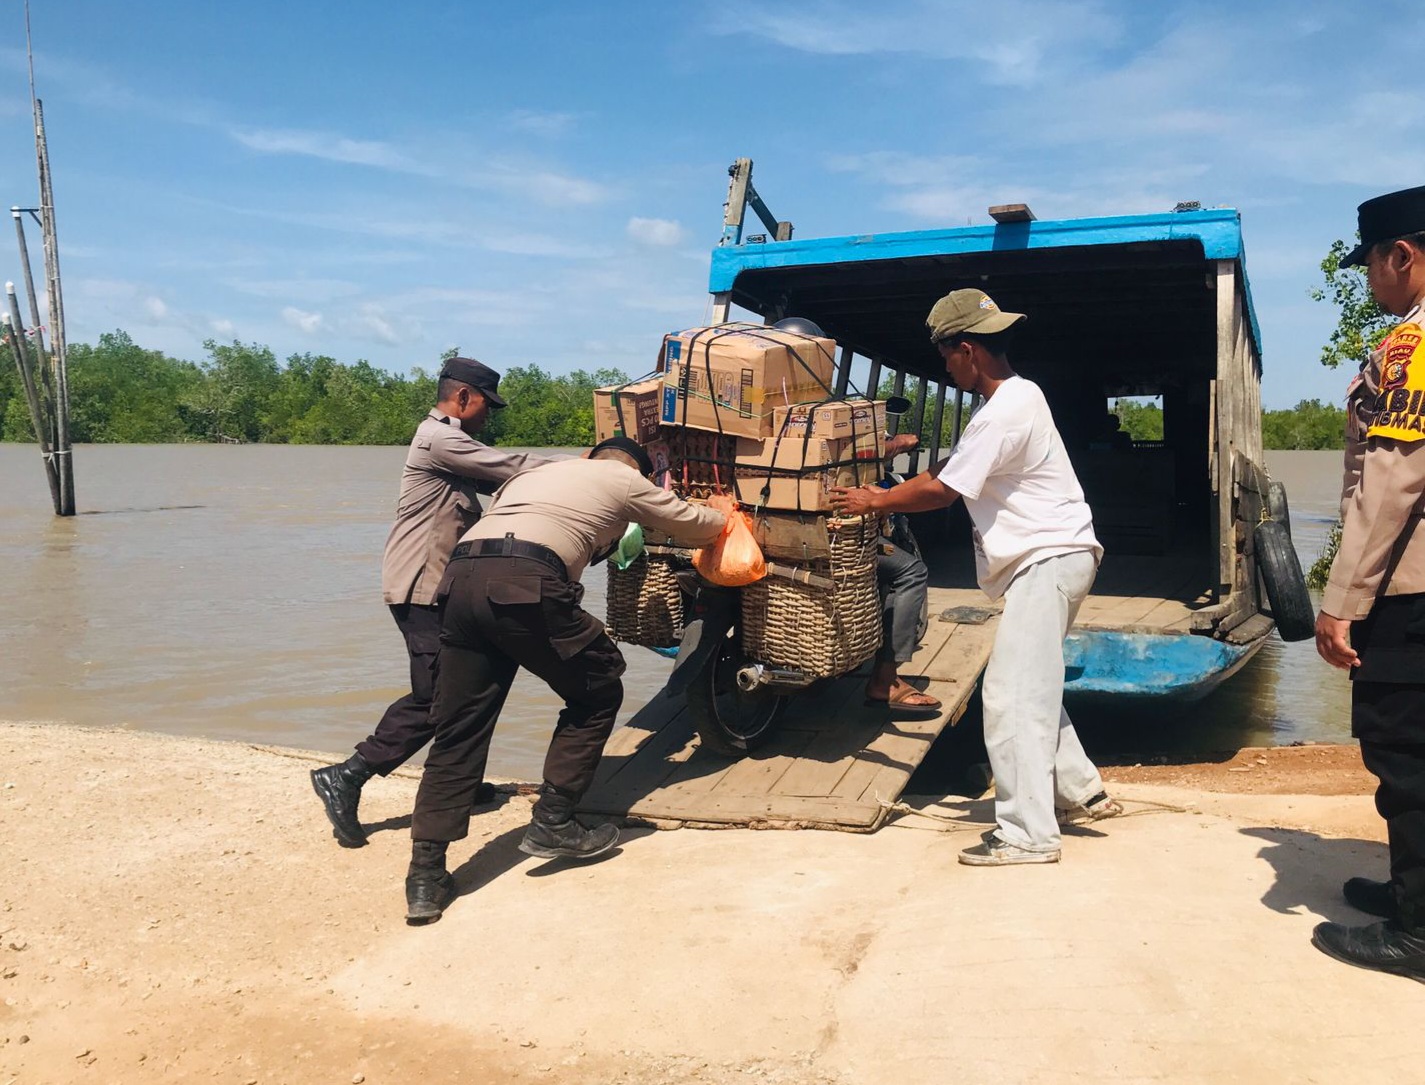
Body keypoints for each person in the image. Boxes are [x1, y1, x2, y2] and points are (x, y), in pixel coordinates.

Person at [830, 289, 1119, 866]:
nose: (944, 366)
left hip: (1047, 559)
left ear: (967, 350)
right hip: (1058, 558)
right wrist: (886, 490)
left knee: (1011, 695)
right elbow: (950, 466)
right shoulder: (1012, 401)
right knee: (1034, 682)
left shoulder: (1006, 408)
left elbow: (941, 491)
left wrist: (875, 500)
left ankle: (1027, 835)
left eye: (945, 356)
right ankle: (1078, 790)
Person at [404, 436, 728, 922]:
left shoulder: (534, 474)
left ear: (587, 457)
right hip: (527, 581)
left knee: (460, 724)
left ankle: (425, 877)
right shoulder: (623, 479)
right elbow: (696, 524)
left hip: (458, 580)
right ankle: (553, 821)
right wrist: (725, 512)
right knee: (598, 688)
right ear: (637, 471)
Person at [310, 357, 550, 848]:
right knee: (439, 698)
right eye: (486, 404)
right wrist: (593, 470)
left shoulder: (453, 445)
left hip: (440, 589)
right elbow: (514, 466)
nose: (490, 416)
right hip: (421, 588)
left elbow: (504, 482)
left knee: (463, 683)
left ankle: (456, 785)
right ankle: (350, 774)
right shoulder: (440, 439)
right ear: (463, 397)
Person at [1311, 185, 1425, 982]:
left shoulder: (1406, 349)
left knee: (1403, 749)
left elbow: (1386, 485)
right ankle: (1408, 891)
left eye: (1371, 266)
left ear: (1403, 255)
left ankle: (1416, 928)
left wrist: (1340, 602)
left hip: (1409, 591)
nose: (1368, 282)